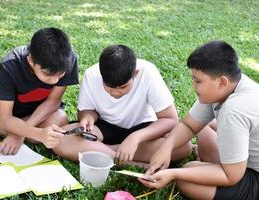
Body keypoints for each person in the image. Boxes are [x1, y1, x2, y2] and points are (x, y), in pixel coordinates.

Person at [140, 41, 259, 200]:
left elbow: (232, 176)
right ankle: (210, 166)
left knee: (186, 179)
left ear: (222, 82)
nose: (193, 86)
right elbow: (189, 125)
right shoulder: (230, 85)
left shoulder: (235, 109)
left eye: (198, 81)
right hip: (241, 163)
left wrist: (174, 173)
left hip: (251, 174)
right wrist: (166, 148)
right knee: (204, 131)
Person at [52, 44, 191, 164]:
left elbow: (170, 119)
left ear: (135, 74)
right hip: (104, 125)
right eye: (109, 87)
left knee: (183, 147)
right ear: (101, 75)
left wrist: (135, 138)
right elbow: (86, 111)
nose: (116, 93)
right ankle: (128, 161)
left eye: (123, 87)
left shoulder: (148, 72)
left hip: (143, 128)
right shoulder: (91, 74)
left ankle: (99, 151)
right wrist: (88, 118)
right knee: (60, 140)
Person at [0, 27, 79, 155]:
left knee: (61, 118)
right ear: (31, 61)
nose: (55, 80)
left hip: (42, 112)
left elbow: (52, 102)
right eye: (47, 74)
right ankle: (26, 133)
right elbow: (5, 118)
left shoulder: (68, 59)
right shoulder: (10, 64)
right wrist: (33, 133)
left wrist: (21, 131)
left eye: (60, 74)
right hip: (7, 106)